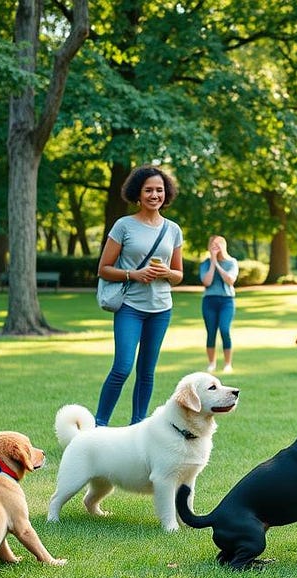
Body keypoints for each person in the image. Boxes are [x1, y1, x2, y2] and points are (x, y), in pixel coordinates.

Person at [95, 165, 184, 426]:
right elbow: (103, 269)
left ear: (166, 194)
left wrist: (166, 272)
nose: (154, 195)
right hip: (130, 307)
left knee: (146, 372)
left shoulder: (173, 230)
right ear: (138, 194)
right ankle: (99, 425)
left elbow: (179, 275)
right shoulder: (124, 226)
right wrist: (134, 274)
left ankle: (137, 426)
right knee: (122, 367)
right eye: (148, 190)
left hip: (161, 309)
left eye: (159, 190)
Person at [200, 235, 239, 373]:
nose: (215, 248)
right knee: (211, 333)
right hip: (209, 301)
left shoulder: (231, 262)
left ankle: (228, 364)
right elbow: (207, 282)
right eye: (213, 245)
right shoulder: (205, 263)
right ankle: (212, 363)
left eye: (218, 245)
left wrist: (217, 264)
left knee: (224, 330)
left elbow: (230, 280)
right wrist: (212, 262)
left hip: (226, 301)